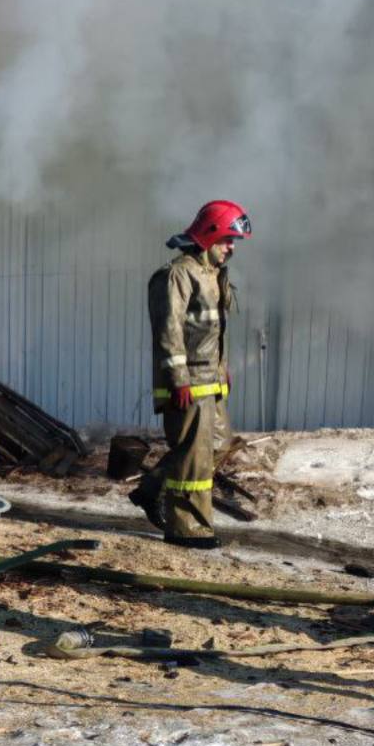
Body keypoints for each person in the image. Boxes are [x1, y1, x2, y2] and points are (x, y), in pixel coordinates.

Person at [130, 200, 252, 549]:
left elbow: (212, 332)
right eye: (227, 240)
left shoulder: (213, 274)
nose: (231, 248)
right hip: (188, 384)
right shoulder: (177, 275)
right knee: (194, 455)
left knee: (219, 445)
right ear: (209, 235)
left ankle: (152, 488)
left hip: (211, 381)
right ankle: (187, 529)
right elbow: (168, 331)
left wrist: (223, 370)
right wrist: (179, 379)